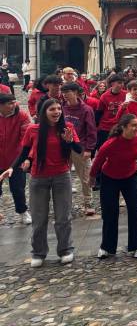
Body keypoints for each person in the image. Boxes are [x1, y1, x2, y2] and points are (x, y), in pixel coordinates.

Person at [1, 99, 81, 267]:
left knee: (63, 217)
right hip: (39, 178)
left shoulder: (67, 128)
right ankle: (38, 252)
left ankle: (65, 249)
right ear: (44, 112)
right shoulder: (33, 129)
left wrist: (70, 141)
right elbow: (23, 153)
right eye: (52, 109)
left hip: (61, 176)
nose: (57, 112)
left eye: (59, 108)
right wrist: (12, 168)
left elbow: (78, 149)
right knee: (39, 219)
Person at [89, 114, 137, 259]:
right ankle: (106, 247)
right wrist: (92, 178)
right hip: (110, 178)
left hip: (131, 176)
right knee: (110, 212)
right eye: (133, 125)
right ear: (123, 127)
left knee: (134, 210)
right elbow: (98, 161)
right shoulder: (111, 143)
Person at [61, 83, 97, 215]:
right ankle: (65, 204)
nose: (65, 94)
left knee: (85, 176)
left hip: (80, 147)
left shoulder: (86, 109)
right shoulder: (61, 108)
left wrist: (89, 148)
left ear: (76, 92)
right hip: (64, 147)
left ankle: (88, 202)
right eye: (63, 92)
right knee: (63, 176)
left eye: (68, 91)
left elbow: (91, 130)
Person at [0, 93, 32, 224]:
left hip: (16, 159)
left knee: (18, 188)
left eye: (14, 102)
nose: (14, 105)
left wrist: (23, 158)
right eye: (10, 104)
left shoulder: (22, 116)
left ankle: (22, 211)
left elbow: (25, 139)